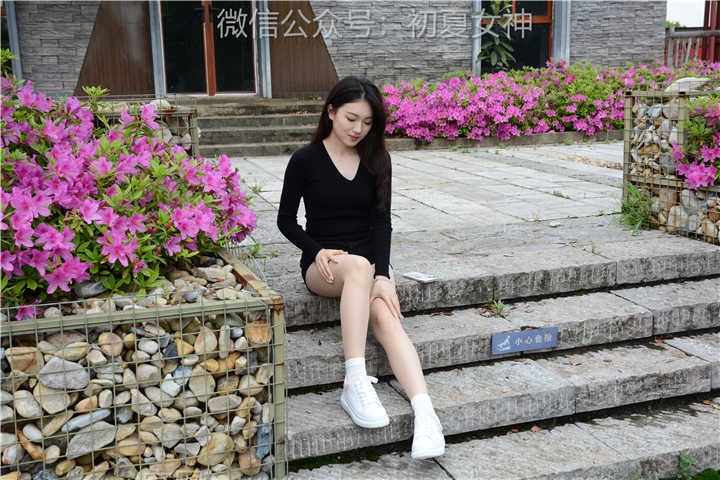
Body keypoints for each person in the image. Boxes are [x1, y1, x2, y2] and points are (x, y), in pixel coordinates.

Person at [277, 76, 445, 459]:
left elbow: (381, 222)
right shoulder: (305, 160)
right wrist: (316, 250)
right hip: (324, 266)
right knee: (355, 267)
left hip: (368, 263)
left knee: (385, 316)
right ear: (331, 111)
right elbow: (286, 220)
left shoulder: (377, 159)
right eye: (351, 118)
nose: (358, 129)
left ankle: (426, 414)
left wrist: (383, 276)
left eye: (367, 122)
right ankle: (354, 381)